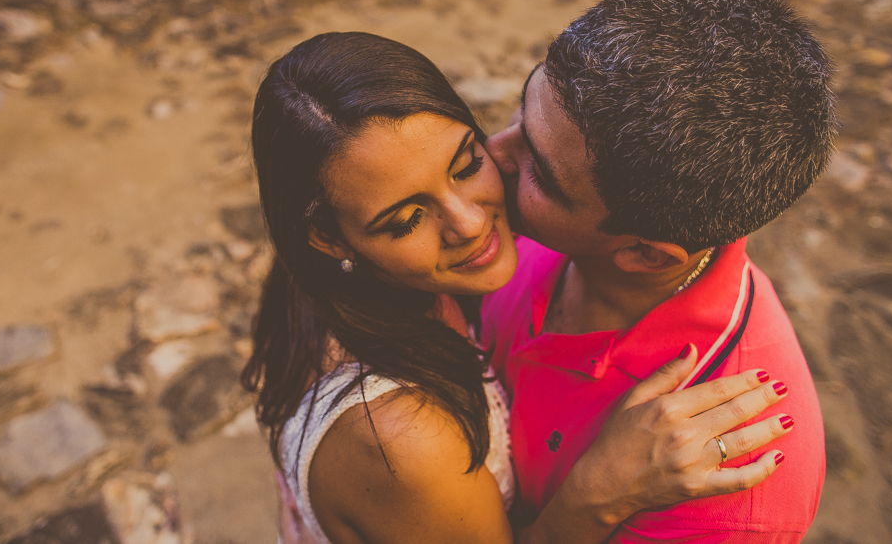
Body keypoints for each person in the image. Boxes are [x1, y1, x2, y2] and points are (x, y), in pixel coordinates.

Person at [242, 31, 794, 544]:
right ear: (327, 238)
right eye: (406, 219)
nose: (470, 223)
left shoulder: (336, 274)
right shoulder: (402, 440)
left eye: (464, 164)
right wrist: (595, 494)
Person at [483, 0, 833, 542]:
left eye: (539, 175)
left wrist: (590, 501)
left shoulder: (727, 494)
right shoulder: (512, 220)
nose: (490, 155)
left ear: (645, 253)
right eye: (521, 114)